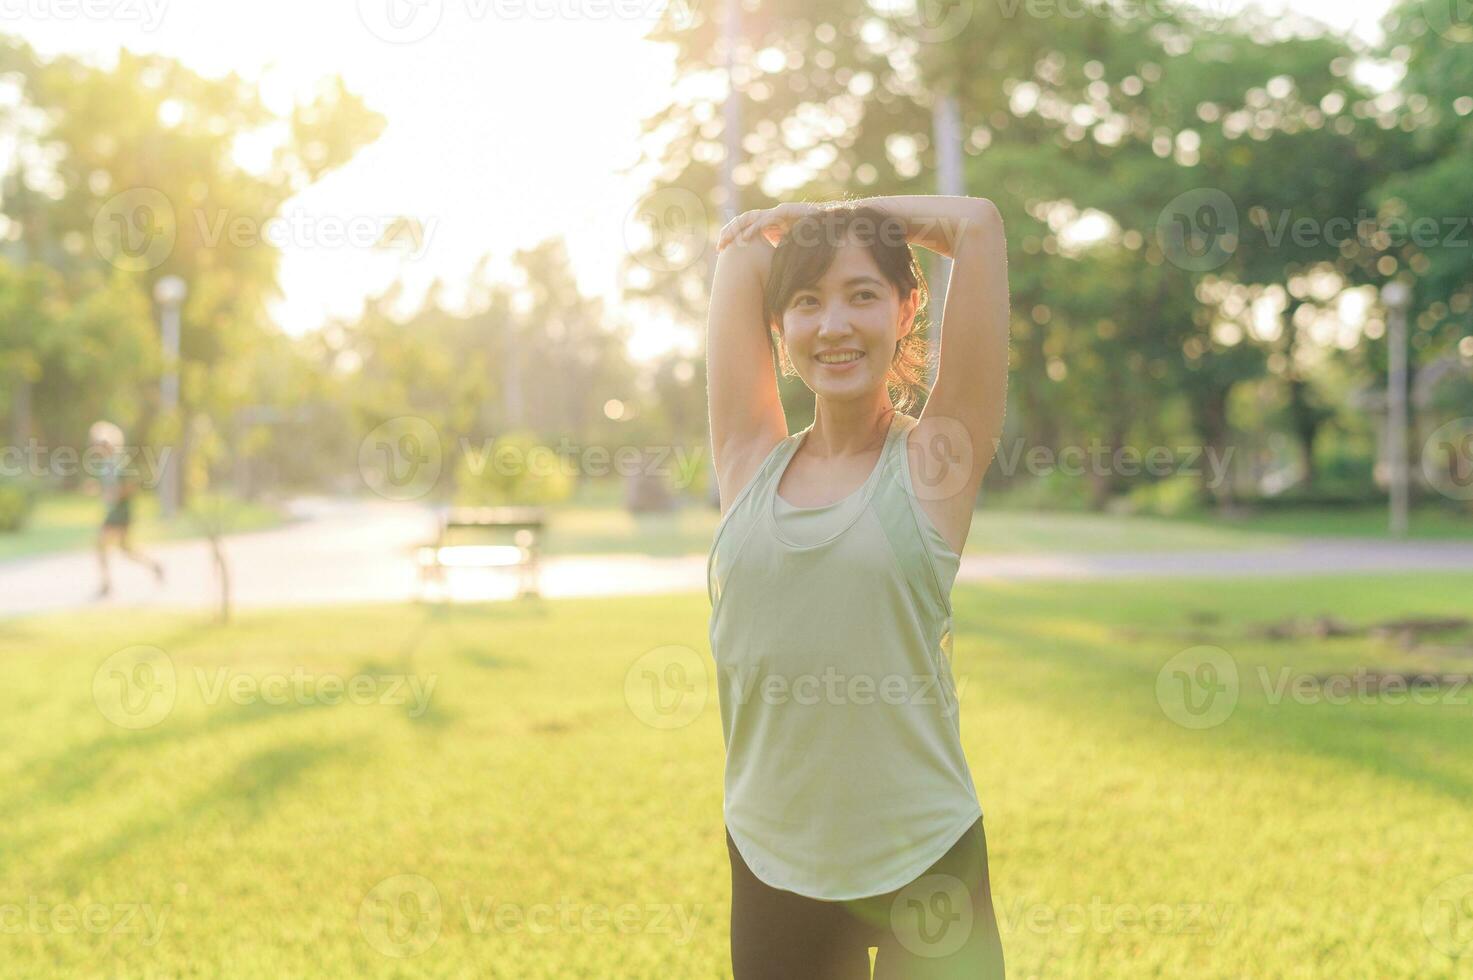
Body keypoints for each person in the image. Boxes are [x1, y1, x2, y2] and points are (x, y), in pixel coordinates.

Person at [705, 196, 1010, 978]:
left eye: (862, 295)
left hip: (925, 858)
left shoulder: (936, 463)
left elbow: (975, 225)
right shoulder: (746, 459)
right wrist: (795, 237)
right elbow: (739, 255)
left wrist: (832, 214)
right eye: (806, 302)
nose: (832, 324)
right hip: (773, 859)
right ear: (777, 329)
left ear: (908, 308)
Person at [89, 421, 165, 599]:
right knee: (125, 549)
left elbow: (130, 486)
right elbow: (108, 489)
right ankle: (155, 566)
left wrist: (115, 494)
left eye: (102, 444)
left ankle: (106, 585)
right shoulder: (106, 464)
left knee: (101, 544)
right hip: (114, 511)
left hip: (121, 513)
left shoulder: (121, 463)